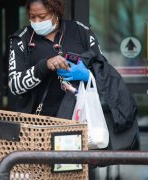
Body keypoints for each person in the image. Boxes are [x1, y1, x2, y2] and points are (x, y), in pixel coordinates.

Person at [7, 0, 139, 150]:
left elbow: (103, 69)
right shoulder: (21, 38)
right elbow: (15, 85)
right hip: (37, 127)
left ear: (56, 12)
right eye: (32, 17)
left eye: (42, 17)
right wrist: (44, 66)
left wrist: (87, 75)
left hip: (78, 122)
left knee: (75, 170)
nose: (36, 22)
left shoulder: (80, 31)